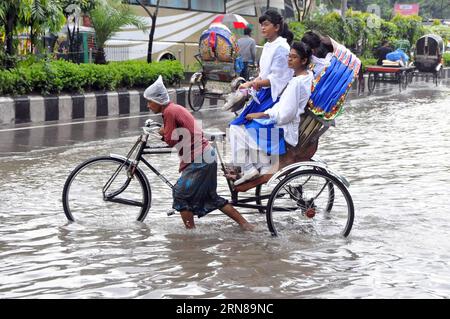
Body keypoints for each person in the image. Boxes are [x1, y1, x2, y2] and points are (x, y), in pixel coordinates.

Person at [144, 76, 254, 231]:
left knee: (180, 195)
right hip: (206, 156)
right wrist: (162, 130)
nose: (148, 105)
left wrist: (160, 133)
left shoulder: (169, 111)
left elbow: (170, 140)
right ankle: (246, 225)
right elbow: (174, 131)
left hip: (199, 160)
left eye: (150, 101)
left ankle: (191, 234)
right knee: (212, 198)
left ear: (158, 100)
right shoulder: (173, 109)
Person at [231, 42, 314, 186]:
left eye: (294, 57)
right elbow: (284, 108)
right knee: (245, 125)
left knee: (236, 128)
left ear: (304, 61)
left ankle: (250, 167)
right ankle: (258, 166)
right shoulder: (306, 77)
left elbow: (286, 113)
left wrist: (262, 115)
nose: (289, 59)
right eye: (289, 56)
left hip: (283, 130)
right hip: (284, 124)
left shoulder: (296, 83)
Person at [228, 9, 294, 183]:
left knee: (238, 126)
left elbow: (277, 78)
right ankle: (252, 165)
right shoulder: (268, 45)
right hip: (263, 93)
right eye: (261, 25)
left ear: (277, 27)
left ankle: (251, 167)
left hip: (273, 97)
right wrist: (251, 82)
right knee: (236, 125)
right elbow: (264, 74)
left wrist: (253, 84)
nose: (262, 28)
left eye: (266, 25)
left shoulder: (281, 47)